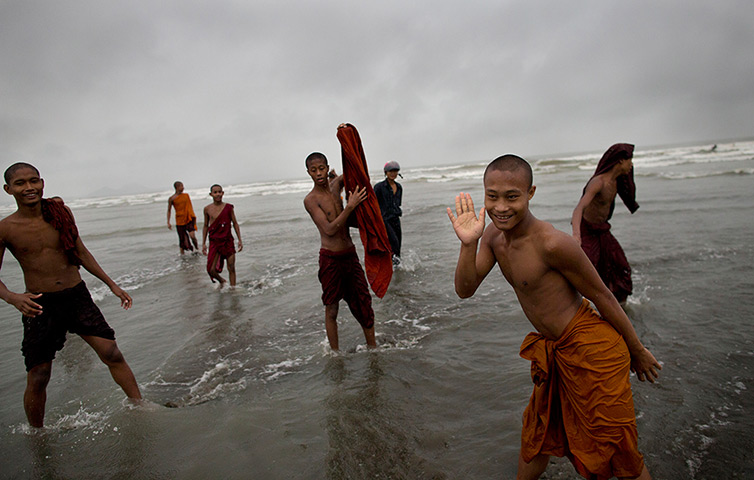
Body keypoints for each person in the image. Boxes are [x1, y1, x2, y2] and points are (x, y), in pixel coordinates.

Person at [447, 155, 660, 479]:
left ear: (530, 193)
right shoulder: (491, 237)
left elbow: (602, 296)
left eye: (512, 196)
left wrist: (637, 350)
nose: (501, 206)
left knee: (617, 448)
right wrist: (469, 244)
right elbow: (465, 289)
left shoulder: (552, 244)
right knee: (538, 431)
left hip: (593, 350)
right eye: (492, 196)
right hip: (555, 350)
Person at [0, 163, 142, 428]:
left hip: (76, 296)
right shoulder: (6, 228)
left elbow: (81, 252)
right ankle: (36, 433)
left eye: (34, 181)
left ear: (42, 182)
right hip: (39, 304)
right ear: (8, 189)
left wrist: (111, 284)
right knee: (39, 374)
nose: (29, 188)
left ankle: (140, 407)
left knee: (111, 352)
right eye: (20, 183)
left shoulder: (59, 214)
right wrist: (12, 297)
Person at [303, 151, 376, 351]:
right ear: (308, 172)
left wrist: (349, 141)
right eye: (313, 170)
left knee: (363, 302)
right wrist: (350, 206)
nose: (318, 173)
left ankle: (373, 348)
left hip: (350, 255)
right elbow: (329, 229)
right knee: (332, 307)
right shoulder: (311, 200)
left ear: (327, 168)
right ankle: (335, 354)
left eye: (321, 168)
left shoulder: (336, 186)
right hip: (330, 259)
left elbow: (360, 172)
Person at [571, 143, 638, 305]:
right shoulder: (598, 183)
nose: (632, 165)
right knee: (585, 271)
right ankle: (574, 307)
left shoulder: (617, 181)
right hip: (587, 231)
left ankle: (619, 305)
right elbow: (578, 209)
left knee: (621, 266)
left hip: (602, 230)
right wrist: (576, 236)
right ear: (620, 161)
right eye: (630, 160)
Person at [201, 184, 242, 287]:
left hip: (227, 240)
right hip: (215, 241)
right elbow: (206, 226)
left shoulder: (228, 207)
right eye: (215, 192)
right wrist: (203, 243)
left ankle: (233, 289)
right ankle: (222, 281)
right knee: (211, 270)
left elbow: (235, 223)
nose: (218, 194)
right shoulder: (207, 209)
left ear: (223, 193)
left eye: (220, 192)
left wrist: (240, 240)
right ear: (211, 194)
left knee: (231, 267)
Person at [374, 161, 403, 265]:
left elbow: (398, 203)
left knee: (398, 245)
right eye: (390, 171)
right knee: (393, 243)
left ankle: (396, 267)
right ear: (385, 172)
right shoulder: (379, 187)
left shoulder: (399, 187)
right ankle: (392, 266)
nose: (393, 173)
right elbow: (374, 204)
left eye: (395, 171)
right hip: (384, 220)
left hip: (396, 218)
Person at [167, 181, 199, 254]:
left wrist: (192, 216)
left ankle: (197, 249)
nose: (183, 188)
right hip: (179, 220)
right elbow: (169, 210)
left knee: (192, 236)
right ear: (177, 187)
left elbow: (189, 207)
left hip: (188, 218)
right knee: (181, 239)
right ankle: (182, 256)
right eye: (181, 186)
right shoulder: (172, 198)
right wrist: (168, 222)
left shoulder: (186, 196)